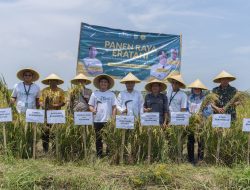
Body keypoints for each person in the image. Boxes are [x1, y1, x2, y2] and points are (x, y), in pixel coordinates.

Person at [88, 74, 116, 157]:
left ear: (108, 84)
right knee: (98, 139)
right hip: (97, 120)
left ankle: (108, 155)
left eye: (105, 82)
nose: (103, 83)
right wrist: (92, 110)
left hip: (108, 120)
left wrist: (113, 118)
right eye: (102, 82)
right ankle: (99, 155)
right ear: (99, 83)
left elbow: (114, 107)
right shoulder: (94, 94)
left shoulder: (111, 94)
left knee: (108, 138)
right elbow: (90, 105)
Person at [39, 73, 65, 152]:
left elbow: (63, 102)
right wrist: (43, 105)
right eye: (51, 81)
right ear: (49, 81)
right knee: (45, 132)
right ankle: (45, 149)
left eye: (55, 81)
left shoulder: (60, 91)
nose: (53, 82)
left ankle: (54, 149)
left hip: (56, 114)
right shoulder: (44, 90)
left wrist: (56, 105)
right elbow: (40, 101)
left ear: (57, 82)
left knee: (55, 132)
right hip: (46, 114)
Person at [187, 79, 208, 164]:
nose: (197, 89)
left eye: (198, 88)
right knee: (190, 140)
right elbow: (186, 109)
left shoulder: (205, 99)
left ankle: (200, 159)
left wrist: (202, 116)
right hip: (191, 121)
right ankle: (191, 159)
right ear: (192, 89)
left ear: (201, 89)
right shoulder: (189, 98)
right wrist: (190, 116)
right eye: (195, 88)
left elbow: (208, 110)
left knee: (201, 140)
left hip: (201, 121)